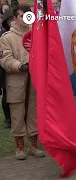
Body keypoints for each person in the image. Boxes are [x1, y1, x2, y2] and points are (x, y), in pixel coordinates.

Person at [0, 5, 45, 160]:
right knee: (17, 114)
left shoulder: (38, 34)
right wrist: (20, 66)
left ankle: (33, 145)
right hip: (17, 81)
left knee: (34, 114)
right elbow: (5, 59)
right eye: (23, 16)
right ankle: (19, 148)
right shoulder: (7, 38)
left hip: (34, 82)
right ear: (15, 18)